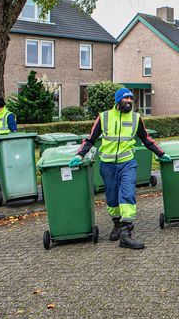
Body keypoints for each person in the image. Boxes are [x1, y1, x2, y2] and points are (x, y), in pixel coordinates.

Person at [70, 88, 171, 250]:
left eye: (131, 99)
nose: (129, 102)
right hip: (107, 165)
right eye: (126, 99)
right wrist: (79, 155)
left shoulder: (136, 118)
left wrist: (160, 153)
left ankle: (126, 234)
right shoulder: (104, 117)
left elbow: (146, 139)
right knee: (111, 199)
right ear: (118, 101)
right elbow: (90, 139)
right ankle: (117, 224)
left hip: (127, 163)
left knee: (127, 194)